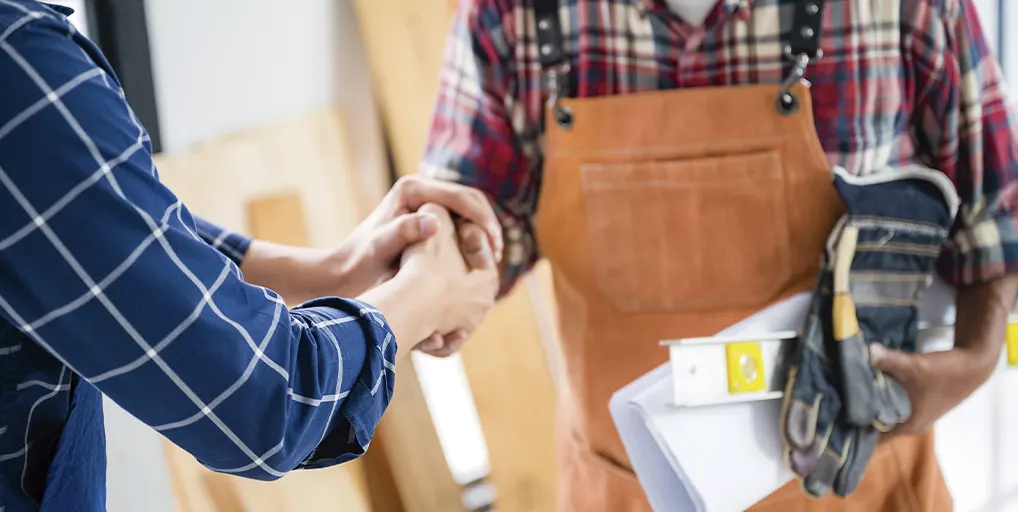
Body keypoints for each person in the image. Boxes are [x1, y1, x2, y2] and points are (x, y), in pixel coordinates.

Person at [420, 0, 1018, 510]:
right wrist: (419, 287)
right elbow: (475, 229)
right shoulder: (512, 15)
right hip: (624, 491)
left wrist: (973, 362)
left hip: (861, 484)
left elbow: (997, 216)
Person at [0, 1, 500, 511]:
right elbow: (265, 401)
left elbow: (115, 234)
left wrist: (334, 270)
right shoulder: (18, 60)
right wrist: (430, 288)